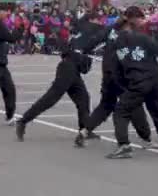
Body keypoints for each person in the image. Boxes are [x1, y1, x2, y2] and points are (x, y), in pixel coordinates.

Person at [107, 6, 158, 159]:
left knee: (121, 111)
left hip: (138, 82)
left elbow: (116, 70)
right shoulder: (143, 38)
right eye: (140, 18)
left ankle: (124, 145)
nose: (142, 21)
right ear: (131, 20)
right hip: (154, 80)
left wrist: (126, 84)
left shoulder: (116, 43)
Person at [15, 13, 101, 142]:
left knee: (83, 99)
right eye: (96, 19)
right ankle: (23, 121)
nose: (99, 22)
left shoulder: (80, 31)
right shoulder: (87, 30)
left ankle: (85, 129)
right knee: (50, 98)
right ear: (90, 21)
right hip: (68, 68)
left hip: (73, 70)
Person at [74, 17, 154, 149]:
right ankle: (146, 138)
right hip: (121, 76)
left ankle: (85, 130)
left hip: (108, 74)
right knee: (134, 105)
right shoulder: (130, 35)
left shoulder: (110, 30)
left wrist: (85, 50)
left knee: (106, 105)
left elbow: (93, 41)